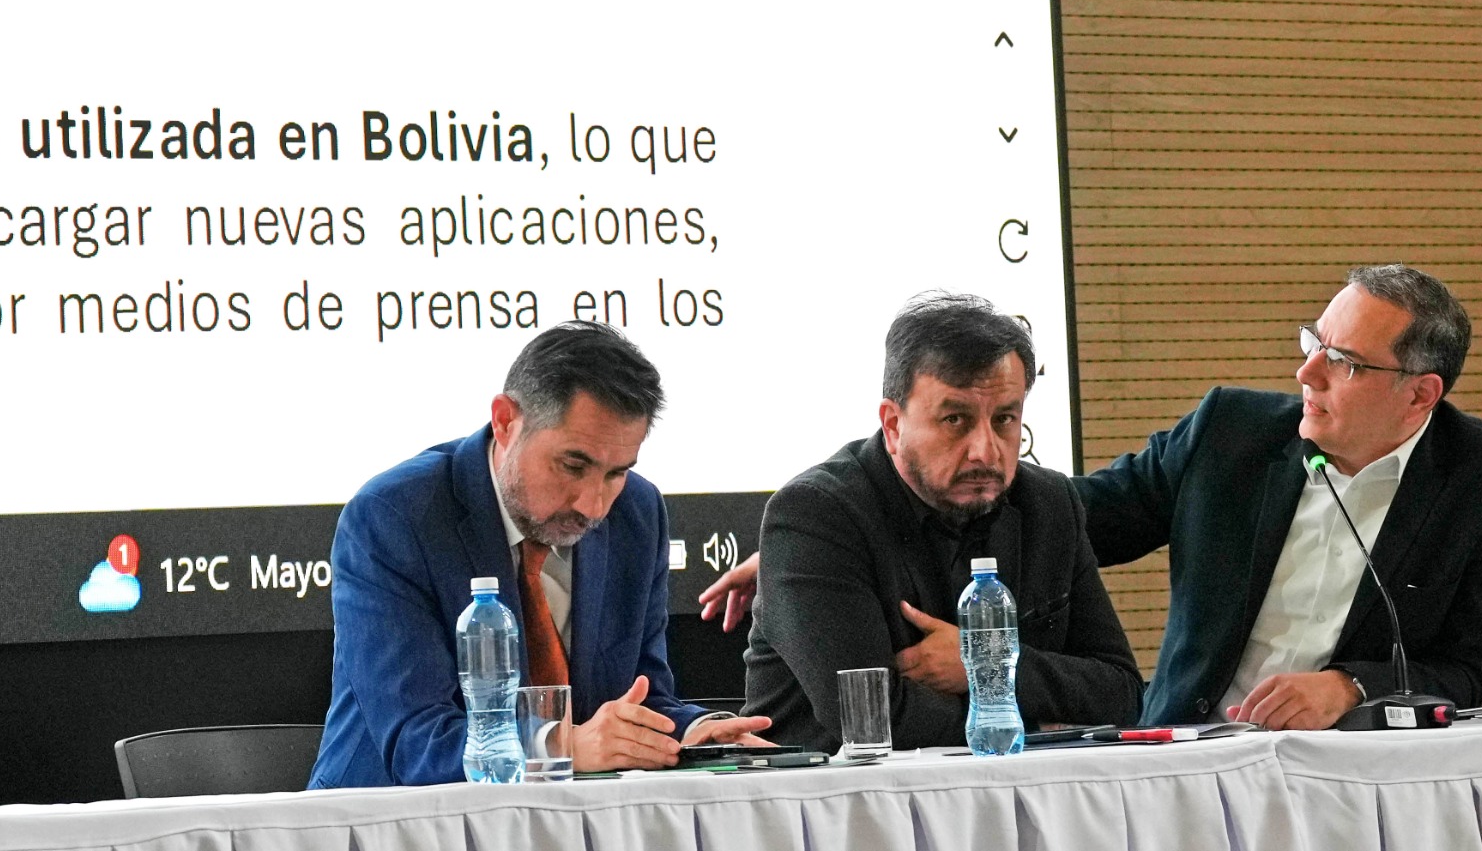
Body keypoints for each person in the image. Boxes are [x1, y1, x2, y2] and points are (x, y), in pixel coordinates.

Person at [1070, 264, 1482, 728]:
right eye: (1314, 343)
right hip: (1188, 753)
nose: (1306, 372)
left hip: (1354, 767)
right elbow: (1077, 520)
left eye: (1343, 361)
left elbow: (1466, 667)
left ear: (1420, 395)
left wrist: (1351, 686)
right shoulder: (1226, 433)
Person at [308, 321, 771, 788]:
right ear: (505, 421)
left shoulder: (637, 512)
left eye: (616, 473)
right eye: (573, 465)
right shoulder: (395, 516)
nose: (593, 506)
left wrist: (694, 735)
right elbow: (418, 743)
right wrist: (561, 746)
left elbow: (640, 697)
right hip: (394, 817)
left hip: (575, 817)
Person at [739, 294, 1143, 751]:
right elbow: (872, 717)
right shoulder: (815, 515)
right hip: (836, 792)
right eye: (955, 419)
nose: (985, 451)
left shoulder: (1049, 504)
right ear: (893, 425)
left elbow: (1122, 694)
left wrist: (984, 664)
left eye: (1005, 419)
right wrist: (1034, 723)